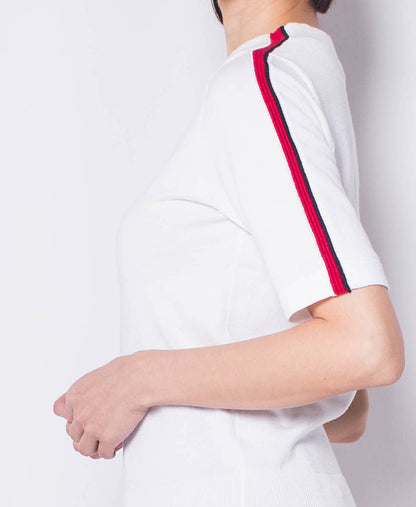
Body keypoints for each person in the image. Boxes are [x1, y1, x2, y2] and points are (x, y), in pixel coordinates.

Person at [53, 1, 405, 506]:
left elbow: (366, 347)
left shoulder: (262, 83)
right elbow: (350, 409)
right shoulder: (289, 77)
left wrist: (135, 380)